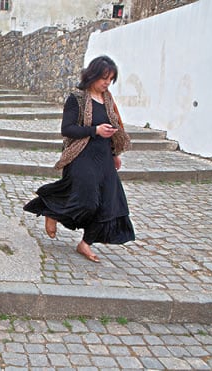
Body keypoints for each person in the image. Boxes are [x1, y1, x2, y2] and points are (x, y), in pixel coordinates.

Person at [23, 55, 134, 263]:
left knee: (112, 204)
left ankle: (85, 243)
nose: (107, 83)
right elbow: (67, 129)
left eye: (110, 79)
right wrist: (95, 130)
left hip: (104, 157)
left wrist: (115, 154)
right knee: (87, 202)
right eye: (104, 78)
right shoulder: (78, 98)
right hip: (82, 155)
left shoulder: (108, 99)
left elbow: (114, 128)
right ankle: (51, 211)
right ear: (92, 75)